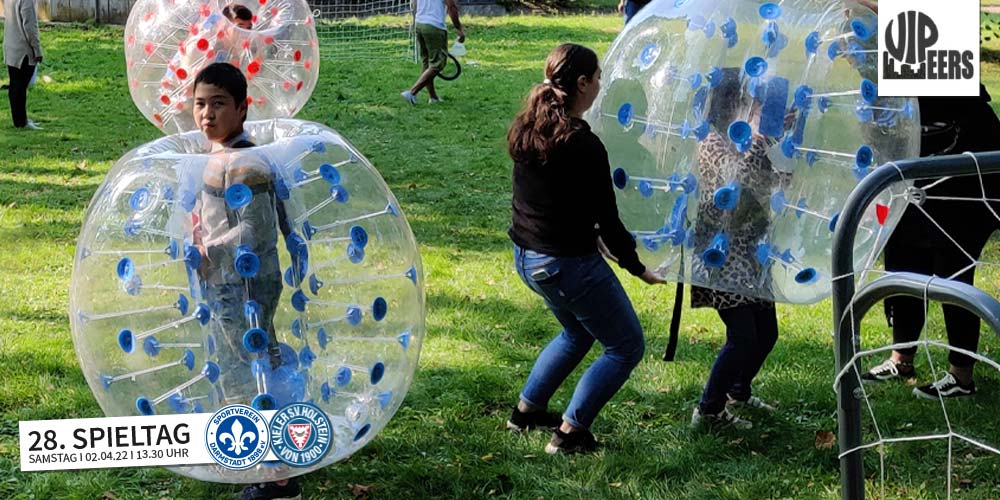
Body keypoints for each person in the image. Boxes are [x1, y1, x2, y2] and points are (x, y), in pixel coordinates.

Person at [506, 43, 666, 454]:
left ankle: (525, 413)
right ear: (581, 84)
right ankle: (569, 434)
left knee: (577, 332)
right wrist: (637, 268)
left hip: (527, 257)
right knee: (626, 345)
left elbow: (552, 198)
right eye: (597, 78)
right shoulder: (583, 144)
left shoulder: (528, 126)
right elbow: (609, 221)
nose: (600, 84)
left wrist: (591, 236)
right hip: (564, 265)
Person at [855, 0, 1000, 400]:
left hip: (962, 163)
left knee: (952, 265)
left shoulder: (932, 19)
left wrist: (872, 12)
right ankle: (902, 357)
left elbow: (926, 23)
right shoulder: (880, 48)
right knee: (903, 259)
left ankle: (961, 375)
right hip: (915, 157)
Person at [189, 62, 300, 500]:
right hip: (230, 279)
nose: (207, 115)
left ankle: (275, 478)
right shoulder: (218, 154)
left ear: (242, 109)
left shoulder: (246, 163)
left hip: (244, 283)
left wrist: (207, 252)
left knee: (247, 369)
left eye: (219, 105)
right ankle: (284, 452)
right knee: (258, 361)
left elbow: (254, 231)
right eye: (200, 104)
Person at [688, 68, 791, 430]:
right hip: (723, 253)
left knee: (767, 335)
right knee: (743, 336)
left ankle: (738, 390)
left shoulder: (746, 139)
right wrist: (761, 136)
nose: (751, 107)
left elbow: (767, 183)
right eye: (748, 101)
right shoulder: (712, 141)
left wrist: (782, 148)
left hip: (751, 248)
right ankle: (709, 411)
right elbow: (738, 179)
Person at [401, 0, 465, 105]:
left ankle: (433, 97)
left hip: (419, 23)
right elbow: (452, 7)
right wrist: (459, 29)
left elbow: (414, 4)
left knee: (427, 63)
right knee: (438, 63)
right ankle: (412, 92)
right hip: (434, 26)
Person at [3, 0, 43, 129]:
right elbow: (30, 27)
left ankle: (20, 120)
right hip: (23, 50)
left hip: (11, 46)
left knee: (15, 85)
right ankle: (22, 122)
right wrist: (37, 50)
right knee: (20, 87)